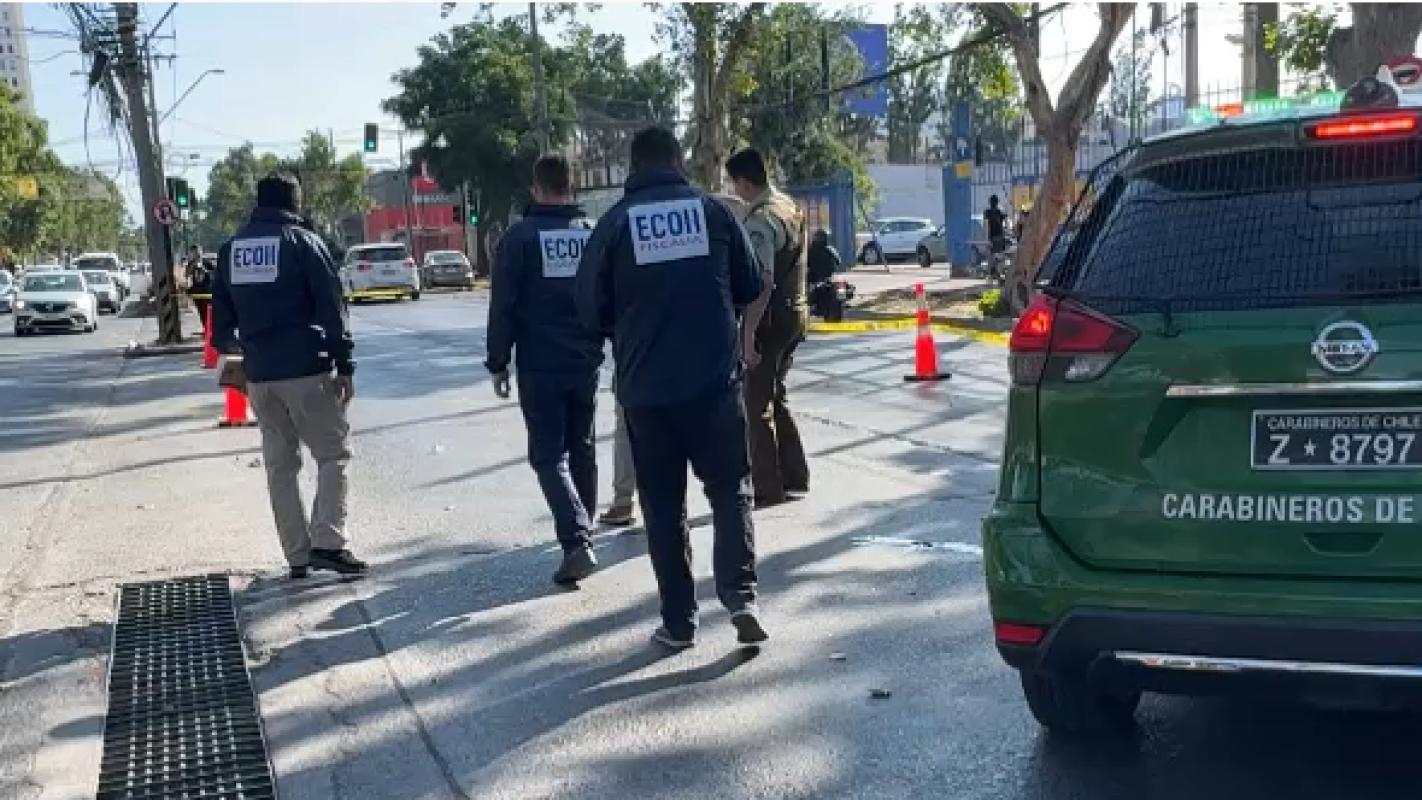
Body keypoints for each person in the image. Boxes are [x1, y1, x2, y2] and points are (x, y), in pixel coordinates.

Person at [575, 126, 769, 649]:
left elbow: (588, 310)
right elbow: (751, 284)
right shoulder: (714, 214)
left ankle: (680, 623)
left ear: (632, 168)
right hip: (714, 383)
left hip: (647, 393)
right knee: (730, 491)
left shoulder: (615, 224)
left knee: (663, 507)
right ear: (680, 163)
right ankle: (741, 597)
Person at [210, 173, 367, 579]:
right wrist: (345, 364)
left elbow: (220, 326)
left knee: (281, 467)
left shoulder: (232, 250)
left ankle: (297, 555)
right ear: (294, 203)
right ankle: (328, 543)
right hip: (307, 370)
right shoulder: (304, 243)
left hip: (260, 377)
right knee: (333, 455)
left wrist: (246, 354)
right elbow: (332, 308)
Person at [486, 155, 605, 586]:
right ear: (572, 188)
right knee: (582, 447)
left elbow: (503, 305)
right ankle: (584, 530)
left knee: (549, 454)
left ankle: (577, 541)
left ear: (536, 189)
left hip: (540, 363)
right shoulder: (591, 234)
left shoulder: (519, 238)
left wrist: (498, 361)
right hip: (586, 359)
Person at [725, 147, 810, 508]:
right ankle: (794, 475)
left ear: (744, 182)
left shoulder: (760, 221)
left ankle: (766, 486)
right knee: (776, 394)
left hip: (770, 320)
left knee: (755, 402)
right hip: (795, 313)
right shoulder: (788, 206)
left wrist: (747, 337)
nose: (735, 190)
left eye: (734, 183)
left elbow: (761, 283)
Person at [185, 245, 213, 335]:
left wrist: (204, 269)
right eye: (194, 252)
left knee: (209, 311)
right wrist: (193, 266)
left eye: (198, 252)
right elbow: (187, 274)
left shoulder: (206, 262)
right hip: (197, 291)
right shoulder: (190, 263)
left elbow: (214, 273)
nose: (196, 254)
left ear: (201, 252)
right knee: (201, 311)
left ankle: (211, 328)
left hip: (207, 291)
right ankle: (205, 328)